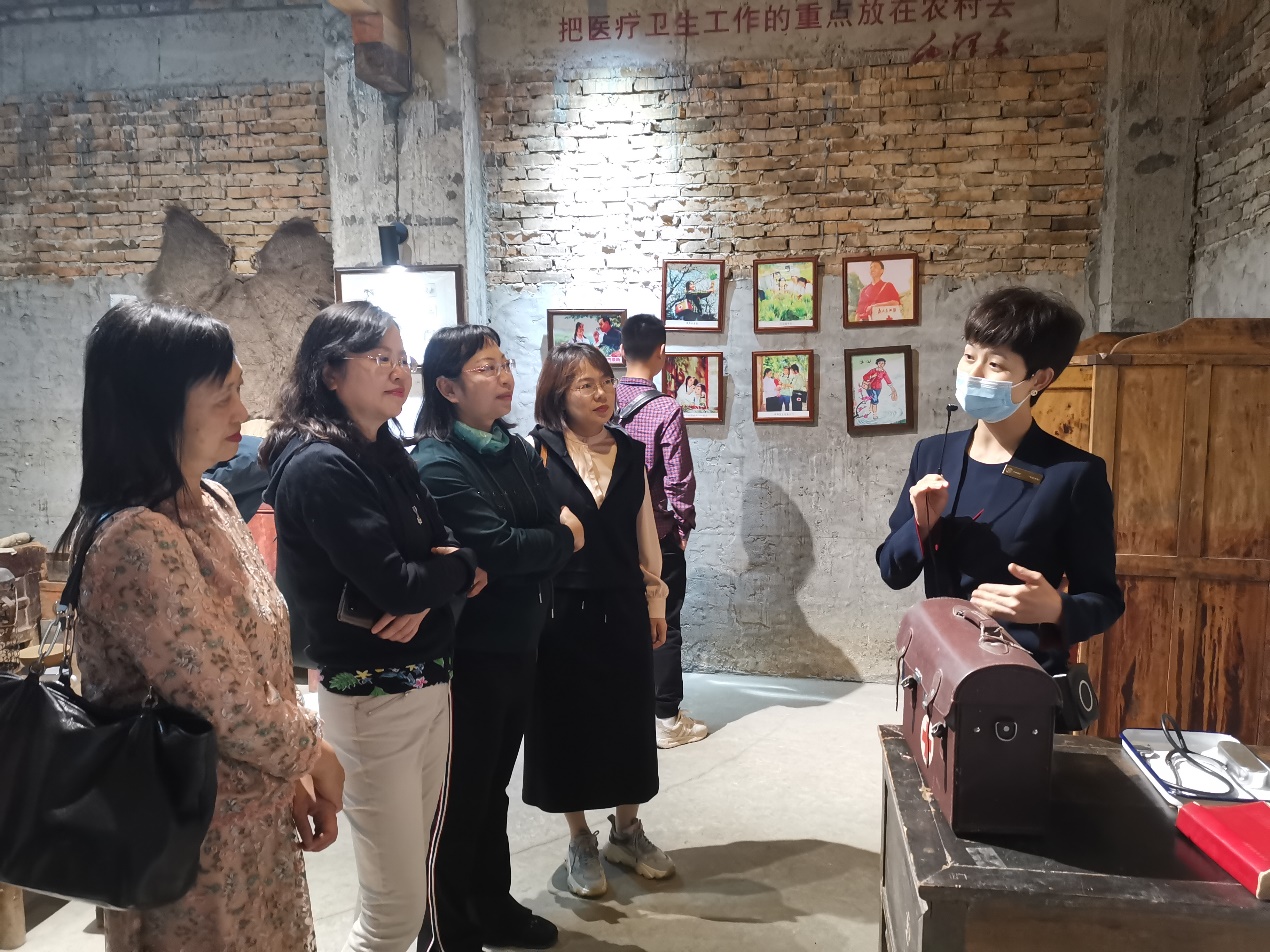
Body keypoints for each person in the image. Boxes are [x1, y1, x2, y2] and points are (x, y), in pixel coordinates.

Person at [62, 301, 344, 952]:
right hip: (189, 848)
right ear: (155, 406)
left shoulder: (211, 500)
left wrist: (286, 782)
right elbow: (228, 704)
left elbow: (255, 664)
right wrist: (314, 753)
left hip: (254, 827)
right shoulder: (137, 539)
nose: (243, 413)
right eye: (223, 397)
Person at [260, 301, 481, 952]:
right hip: (371, 698)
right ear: (330, 372)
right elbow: (401, 583)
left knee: (412, 883)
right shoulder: (320, 465)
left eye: (401, 358)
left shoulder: (384, 449)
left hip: (425, 682)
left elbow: (448, 547)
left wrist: (450, 570)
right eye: (379, 357)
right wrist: (453, 572)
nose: (398, 371)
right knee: (393, 913)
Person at [876, 288, 1125, 722]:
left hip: (1021, 686)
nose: (973, 372)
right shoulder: (932, 453)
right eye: (969, 355)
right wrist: (921, 526)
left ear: (1039, 380)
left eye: (995, 364)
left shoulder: (1073, 474)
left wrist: (1056, 609)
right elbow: (892, 571)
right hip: (938, 674)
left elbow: (1104, 600)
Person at [412, 325, 582, 952]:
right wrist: (561, 539)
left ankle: (491, 906)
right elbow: (506, 547)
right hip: (469, 654)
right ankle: (448, 928)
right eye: (486, 368)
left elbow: (532, 534)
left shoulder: (514, 447)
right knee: (459, 798)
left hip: (519, 642)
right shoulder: (436, 462)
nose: (505, 376)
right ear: (448, 387)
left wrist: (546, 541)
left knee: (492, 790)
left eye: (504, 363)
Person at [527, 342, 673, 898]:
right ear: (558, 393)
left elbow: (645, 531)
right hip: (559, 610)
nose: (601, 393)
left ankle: (626, 831)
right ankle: (580, 838)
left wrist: (655, 601)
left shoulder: (631, 451)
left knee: (628, 718)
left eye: (606, 381)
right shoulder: (536, 453)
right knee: (566, 723)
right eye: (585, 384)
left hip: (623, 603)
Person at [615, 314, 706, 748]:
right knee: (664, 623)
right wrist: (682, 525)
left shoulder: (601, 401)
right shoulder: (665, 408)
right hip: (656, 533)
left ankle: (623, 714)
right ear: (662, 352)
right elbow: (678, 478)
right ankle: (666, 719)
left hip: (608, 536)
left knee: (615, 621)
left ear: (620, 350)